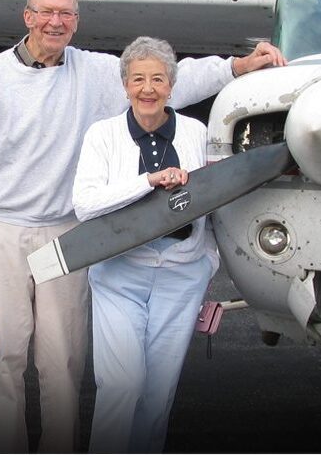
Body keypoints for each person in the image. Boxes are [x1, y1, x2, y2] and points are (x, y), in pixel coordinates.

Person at [0, 0, 285, 453]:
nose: (56, 22)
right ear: (28, 17)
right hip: (0, 228)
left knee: (62, 358)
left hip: (69, 231)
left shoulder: (93, 72)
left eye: (66, 13)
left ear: (76, 21)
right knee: (6, 353)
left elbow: (168, 79)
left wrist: (237, 66)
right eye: (47, 12)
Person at [72, 36, 219, 453]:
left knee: (158, 393)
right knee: (122, 383)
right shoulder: (103, 135)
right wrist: (147, 182)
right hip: (120, 273)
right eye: (138, 79)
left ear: (172, 84)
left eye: (158, 78)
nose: (148, 88)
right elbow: (84, 203)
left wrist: (210, 260)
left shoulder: (197, 132)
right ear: (125, 85)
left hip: (181, 275)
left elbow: (216, 197)